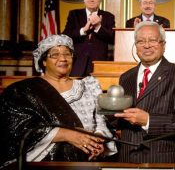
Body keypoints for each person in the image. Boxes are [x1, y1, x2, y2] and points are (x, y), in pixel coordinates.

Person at [0, 34, 117, 167]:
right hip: (43, 164)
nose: (63, 59)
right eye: (54, 55)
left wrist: (97, 141)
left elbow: (101, 122)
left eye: (67, 54)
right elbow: (17, 129)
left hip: (85, 162)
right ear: (43, 61)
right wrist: (66, 134)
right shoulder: (24, 91)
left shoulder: (89, 86)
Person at [114, 21, 175, 163]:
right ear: (135, 46)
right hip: (127, 159)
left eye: (152, 40)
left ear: (163, 45)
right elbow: (120, 120)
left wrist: (149, 121)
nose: (146, 45)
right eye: (140, 41)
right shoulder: (125, 78)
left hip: (162, 159)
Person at [63, 0, 115, 77]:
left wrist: (98, 27)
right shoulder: (74, 14)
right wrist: (83, 30)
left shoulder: (108, 16)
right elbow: (65, 36)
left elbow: (113, 38)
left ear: (100, 0)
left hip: (98, 65)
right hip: (77, 64)